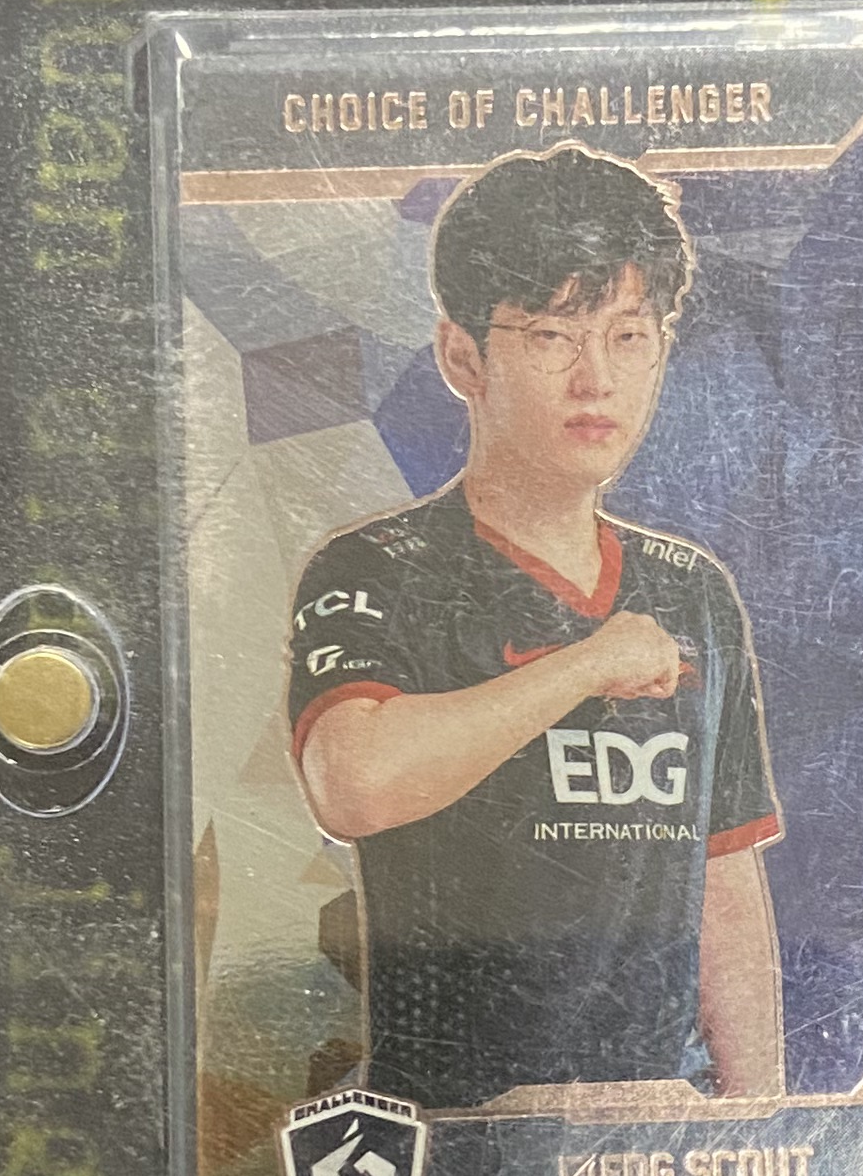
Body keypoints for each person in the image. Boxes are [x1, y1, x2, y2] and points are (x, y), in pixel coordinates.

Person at [288, 142, 784, 1119]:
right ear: (462, 357)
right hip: (455, 1153)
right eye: (553, 336)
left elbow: (725, 883)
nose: (596, 379)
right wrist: (586, 665)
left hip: (662, 1156)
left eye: (629, 336)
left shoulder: (692, 593)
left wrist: (760, 1128)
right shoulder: (378, 568)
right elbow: (354, 781)